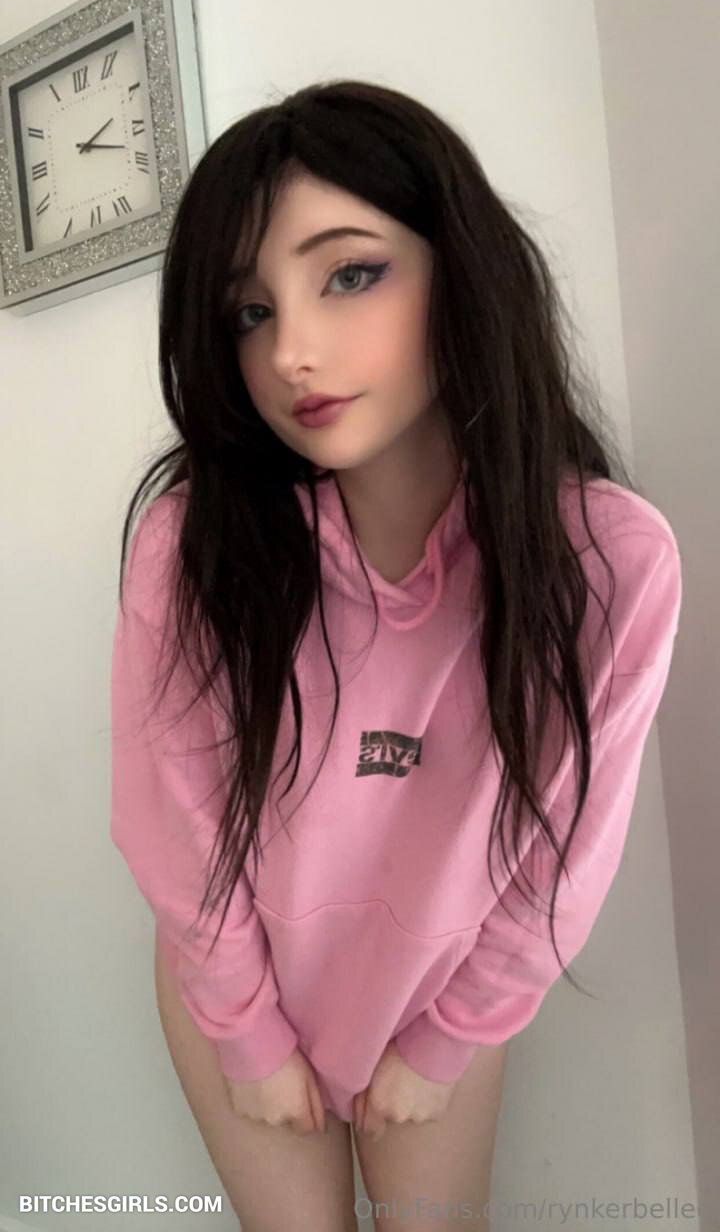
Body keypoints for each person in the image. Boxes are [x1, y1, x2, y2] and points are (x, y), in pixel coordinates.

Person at [110, 79, 683, 1231]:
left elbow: (562, 856)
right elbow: (174, 819)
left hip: (439, 992)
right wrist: (250, 1034)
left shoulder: (606, 561)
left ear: (458, 270)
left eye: (350, 274)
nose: (292, 351)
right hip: (236, 979)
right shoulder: (194, 546)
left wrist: (448, 1038)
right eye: (249, 312)